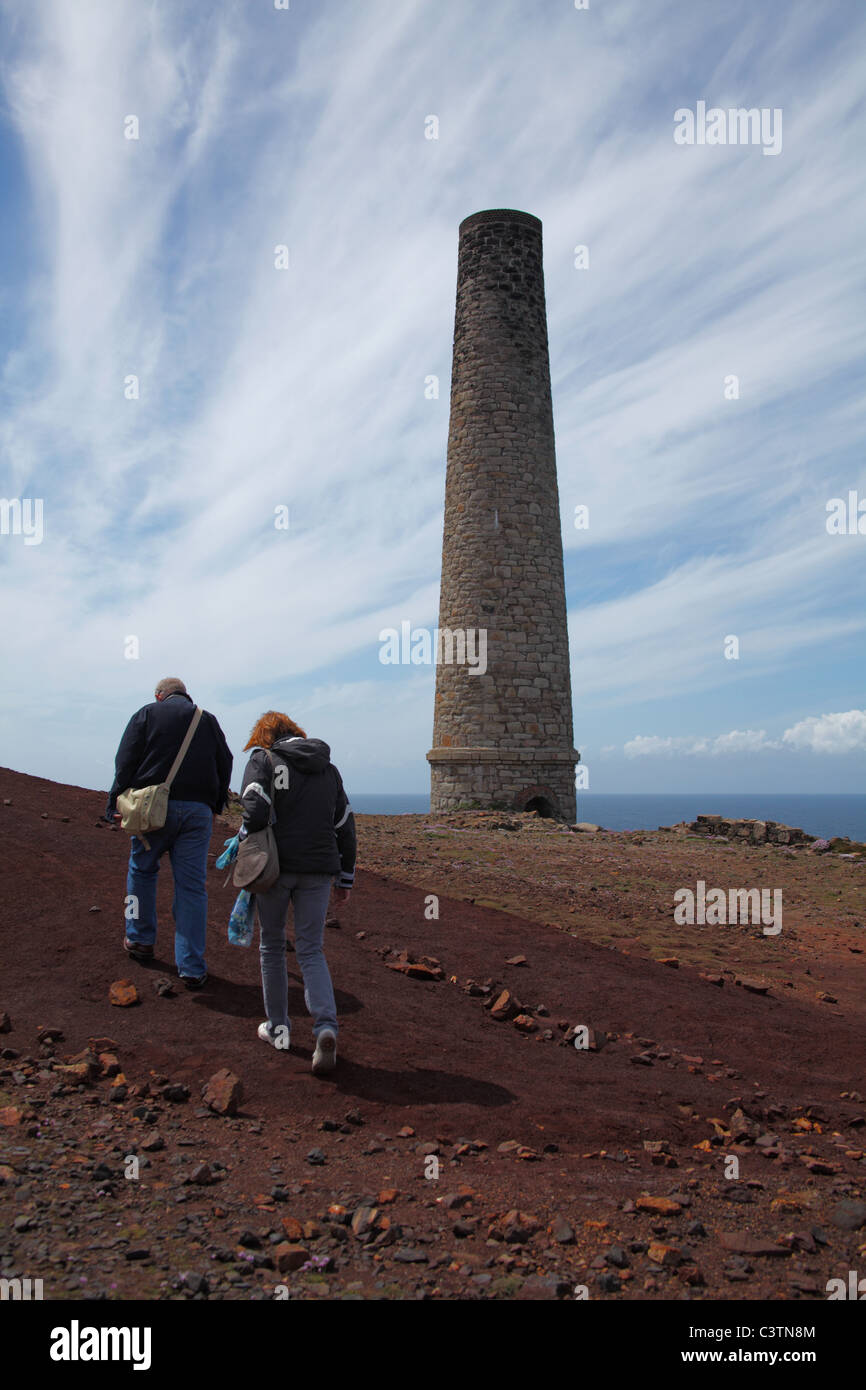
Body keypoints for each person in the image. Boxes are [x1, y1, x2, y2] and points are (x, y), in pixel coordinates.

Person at [239, 711, 355, 1074]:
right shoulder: (328, 769)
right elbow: (345, 824)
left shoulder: (264, 759)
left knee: (272, 946)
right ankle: (324, 1028)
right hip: (319, 870)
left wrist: (246, 837)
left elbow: (254, 806)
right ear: (298, 734)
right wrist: (346, 879)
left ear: (265, 736)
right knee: (311, 949)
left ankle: (278, 1029)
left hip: (275, 868)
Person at [105, 677, 233, 989]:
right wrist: (214, 805)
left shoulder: (147, 714)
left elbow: (125, 759)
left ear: (160, 696)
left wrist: (115, 799)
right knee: (191, 887)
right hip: (197, 813)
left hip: (152, 811)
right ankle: (190, 966)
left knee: (142, 870)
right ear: (186, 696)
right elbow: (225, 762)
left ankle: (140, 940)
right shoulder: (208, 720)